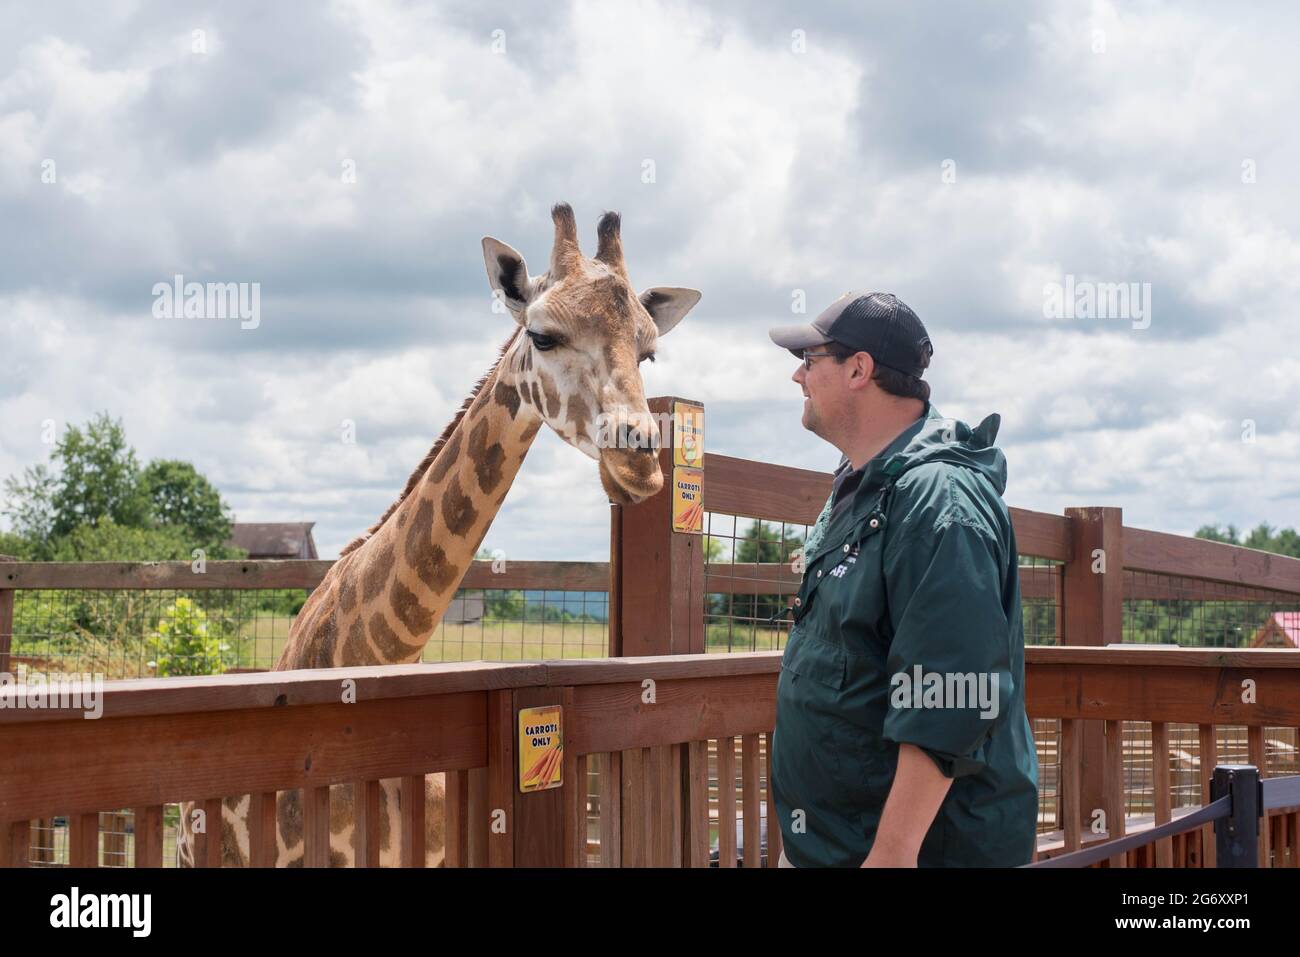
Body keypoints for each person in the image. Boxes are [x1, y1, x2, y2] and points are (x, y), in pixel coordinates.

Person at [767, 291, 1038, 867]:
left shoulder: (938, 500)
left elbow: (954, 692)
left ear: (859, 369)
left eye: (810, 360)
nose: (797, 374)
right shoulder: (869, 485)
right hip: (838, 843)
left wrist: (892, 853)